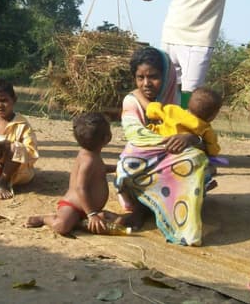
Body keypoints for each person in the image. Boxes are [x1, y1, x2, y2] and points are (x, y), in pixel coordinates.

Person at [114, 46, 210, 245]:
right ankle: (141, 208)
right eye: (140, 77)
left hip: (176, 157)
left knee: (196, 158)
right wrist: (175, 140)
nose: (146, 83)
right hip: (143, 160)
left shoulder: (183, 101)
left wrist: (190, 139)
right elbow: (136, 135)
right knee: (127, 164)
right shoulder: (132, 101)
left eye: (153, 77)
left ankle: (180, 216)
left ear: (167, 76)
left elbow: (203, 133)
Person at [24, 112, 120, 235]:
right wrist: (91, 214)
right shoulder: (88, 160)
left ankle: (80, 222)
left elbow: (100, 169)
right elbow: (80, 188)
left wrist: (118, 168)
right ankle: (44, 219)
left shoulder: (92, 154)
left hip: (90, 209)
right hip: (73, 207)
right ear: (107, 138)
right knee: (61, 226)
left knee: (119, 222)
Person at [146, 87, 223, 157]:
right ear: (212, 116)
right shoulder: (206, 128)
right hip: (178, 152)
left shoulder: (172, 110)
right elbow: (213, 150)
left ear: (188, 103)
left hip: (156, 140)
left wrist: (152, 105)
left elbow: (151, 110)